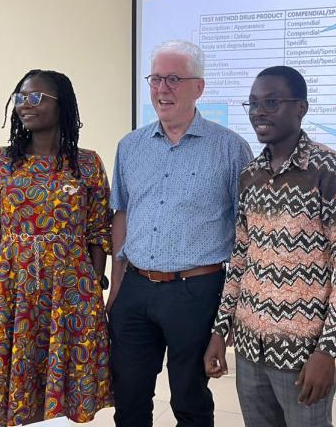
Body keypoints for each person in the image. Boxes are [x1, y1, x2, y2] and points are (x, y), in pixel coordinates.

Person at [203, 66, 336, 427]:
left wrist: (327, 350)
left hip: (302, 352)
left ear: (301, 108)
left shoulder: (332, 170)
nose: (259, 111)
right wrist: (220, 330)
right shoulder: (250, 175)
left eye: (272, 102)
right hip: (249, 346)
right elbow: (241, 257)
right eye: (254, 103)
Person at [107, 40, 253, 426]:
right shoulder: (131, 146)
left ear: (199, 87)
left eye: (174, 79)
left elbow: (247, 231)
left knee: (189, 397)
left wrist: (231, 311)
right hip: (135, 289)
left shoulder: (230, 149)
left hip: (196, 291)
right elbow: (121, 213)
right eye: (156, 79)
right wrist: (116, 286)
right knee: (129, 394)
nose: (162, 89)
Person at [0, 69, 113, 426]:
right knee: (14, 378)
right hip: (13, 288)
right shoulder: (0, 161)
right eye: (20, 97)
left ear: (60, 104)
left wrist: (92, 286)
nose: (24, 105)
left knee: (65, 382)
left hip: (71, 290)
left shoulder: (87, 163)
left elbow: (98, 232)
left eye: (35, 97)